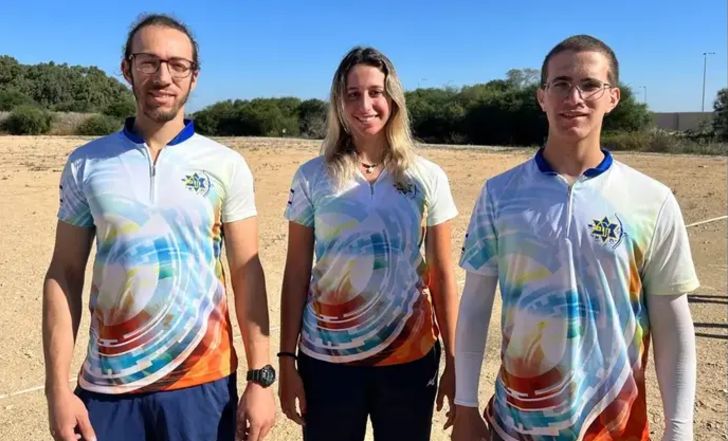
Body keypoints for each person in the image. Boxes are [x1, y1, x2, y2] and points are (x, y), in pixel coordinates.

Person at [452, 35, 699, 441]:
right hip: (516, 426)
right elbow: (476, 305)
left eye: (590, 85)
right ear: (542, 97)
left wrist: (680, 429)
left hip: (615, 428)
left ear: (613, 97)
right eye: (561, 84)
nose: (574, 97)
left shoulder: (652, 200)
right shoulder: (500, 193)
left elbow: (672, 320)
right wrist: (464, 404)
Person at [42, 14, 276, 441]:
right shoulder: (86, 162)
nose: (163, 77)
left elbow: (247, 272)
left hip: (202, 386)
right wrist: (56, 388)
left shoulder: (226, 165)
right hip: (108, 388)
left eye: (177, 65)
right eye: (149, 62)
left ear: (194, 76)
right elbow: (65, 272)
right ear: (127, 68)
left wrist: (260, 378)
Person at [278, 46, 459, 441]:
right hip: (327, 361)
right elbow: (296, 273)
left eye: (376, 92)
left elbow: (442, 274)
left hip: (409, 358)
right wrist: (287, 359)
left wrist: (456, 360)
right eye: (353, 94)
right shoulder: (312, 176)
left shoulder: (427, 176)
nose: (365, 105)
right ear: (339, 103)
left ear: (393, 99)